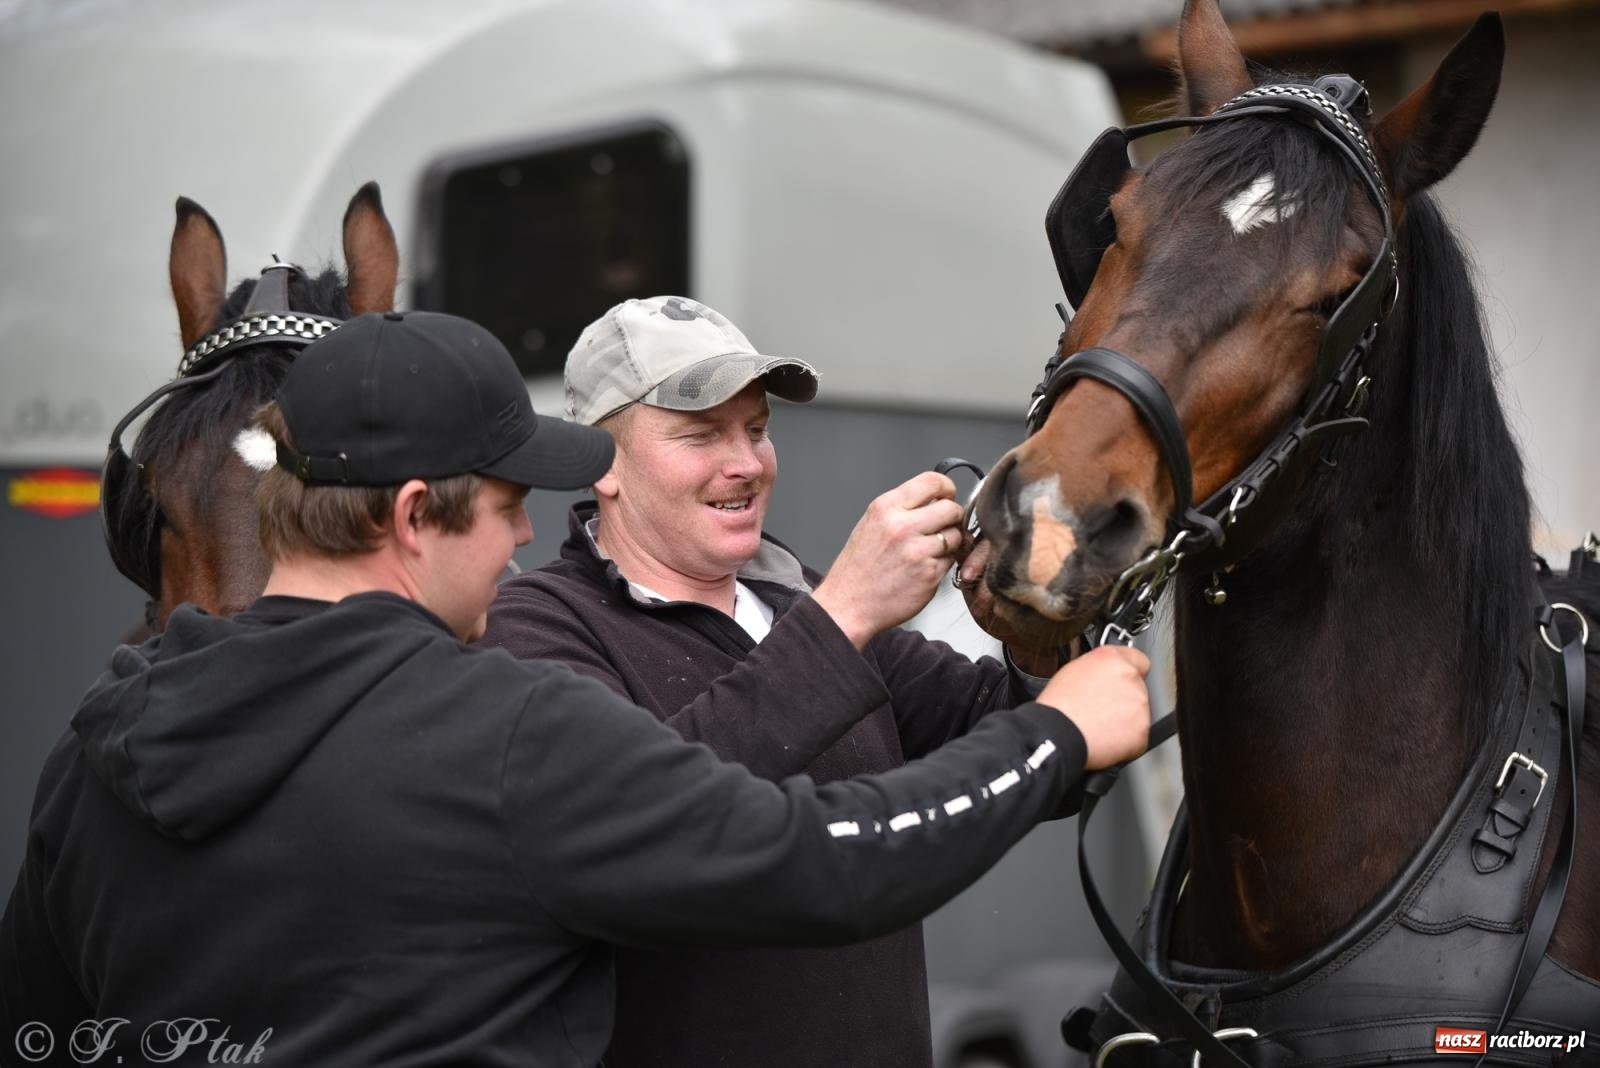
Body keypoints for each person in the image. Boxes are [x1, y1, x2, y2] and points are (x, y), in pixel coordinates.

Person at [0, 310, 1148, 1067]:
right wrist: (1048, 737)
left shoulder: (100, 743)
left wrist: (1066, 640)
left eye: (758, 429)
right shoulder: (499, 714)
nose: (520, 537)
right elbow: (803, 856)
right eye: (507, 505)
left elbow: (40, 1031)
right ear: (410, 519)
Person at [479, 295, 1090, 1068]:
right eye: (702, 433)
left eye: (757, 430)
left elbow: (1035, 748)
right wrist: (844, 613)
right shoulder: (535, 625)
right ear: (602, 463)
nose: (746, 463)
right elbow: (646, 825)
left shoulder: (792, 596)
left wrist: (1032, 628)